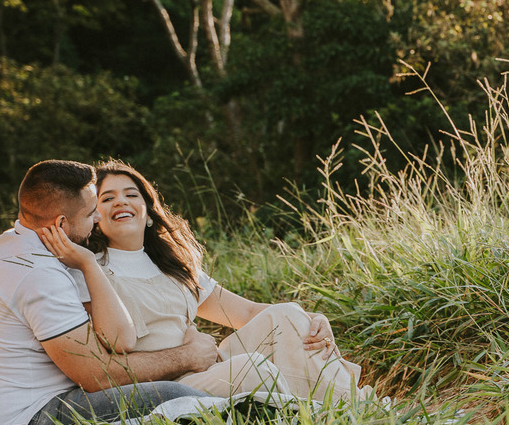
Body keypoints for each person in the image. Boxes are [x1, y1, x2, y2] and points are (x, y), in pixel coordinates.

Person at [37, 159, 366, 405]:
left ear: (148, 211)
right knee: (253, 368)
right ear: (95, 217)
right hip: (168, 384)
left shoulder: (173, 266)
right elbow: (107, 351)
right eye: (107, 198)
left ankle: (351, 403)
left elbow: (246, 313)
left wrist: (311, 319)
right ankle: (342, 410)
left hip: (209, 366)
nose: (120, 201)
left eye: (131, 194)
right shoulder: (88, 268)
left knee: (287, 314)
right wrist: (187, 354)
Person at [0, 160, 220, 425]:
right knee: (179, 398)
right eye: (90, 213)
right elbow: (100, 376)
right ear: (60, 223)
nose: (97, 219)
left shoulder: (14, 241)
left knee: (180, 399)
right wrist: (188, 356)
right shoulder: (39, 275)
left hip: (27, 419)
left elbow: (120, 340)